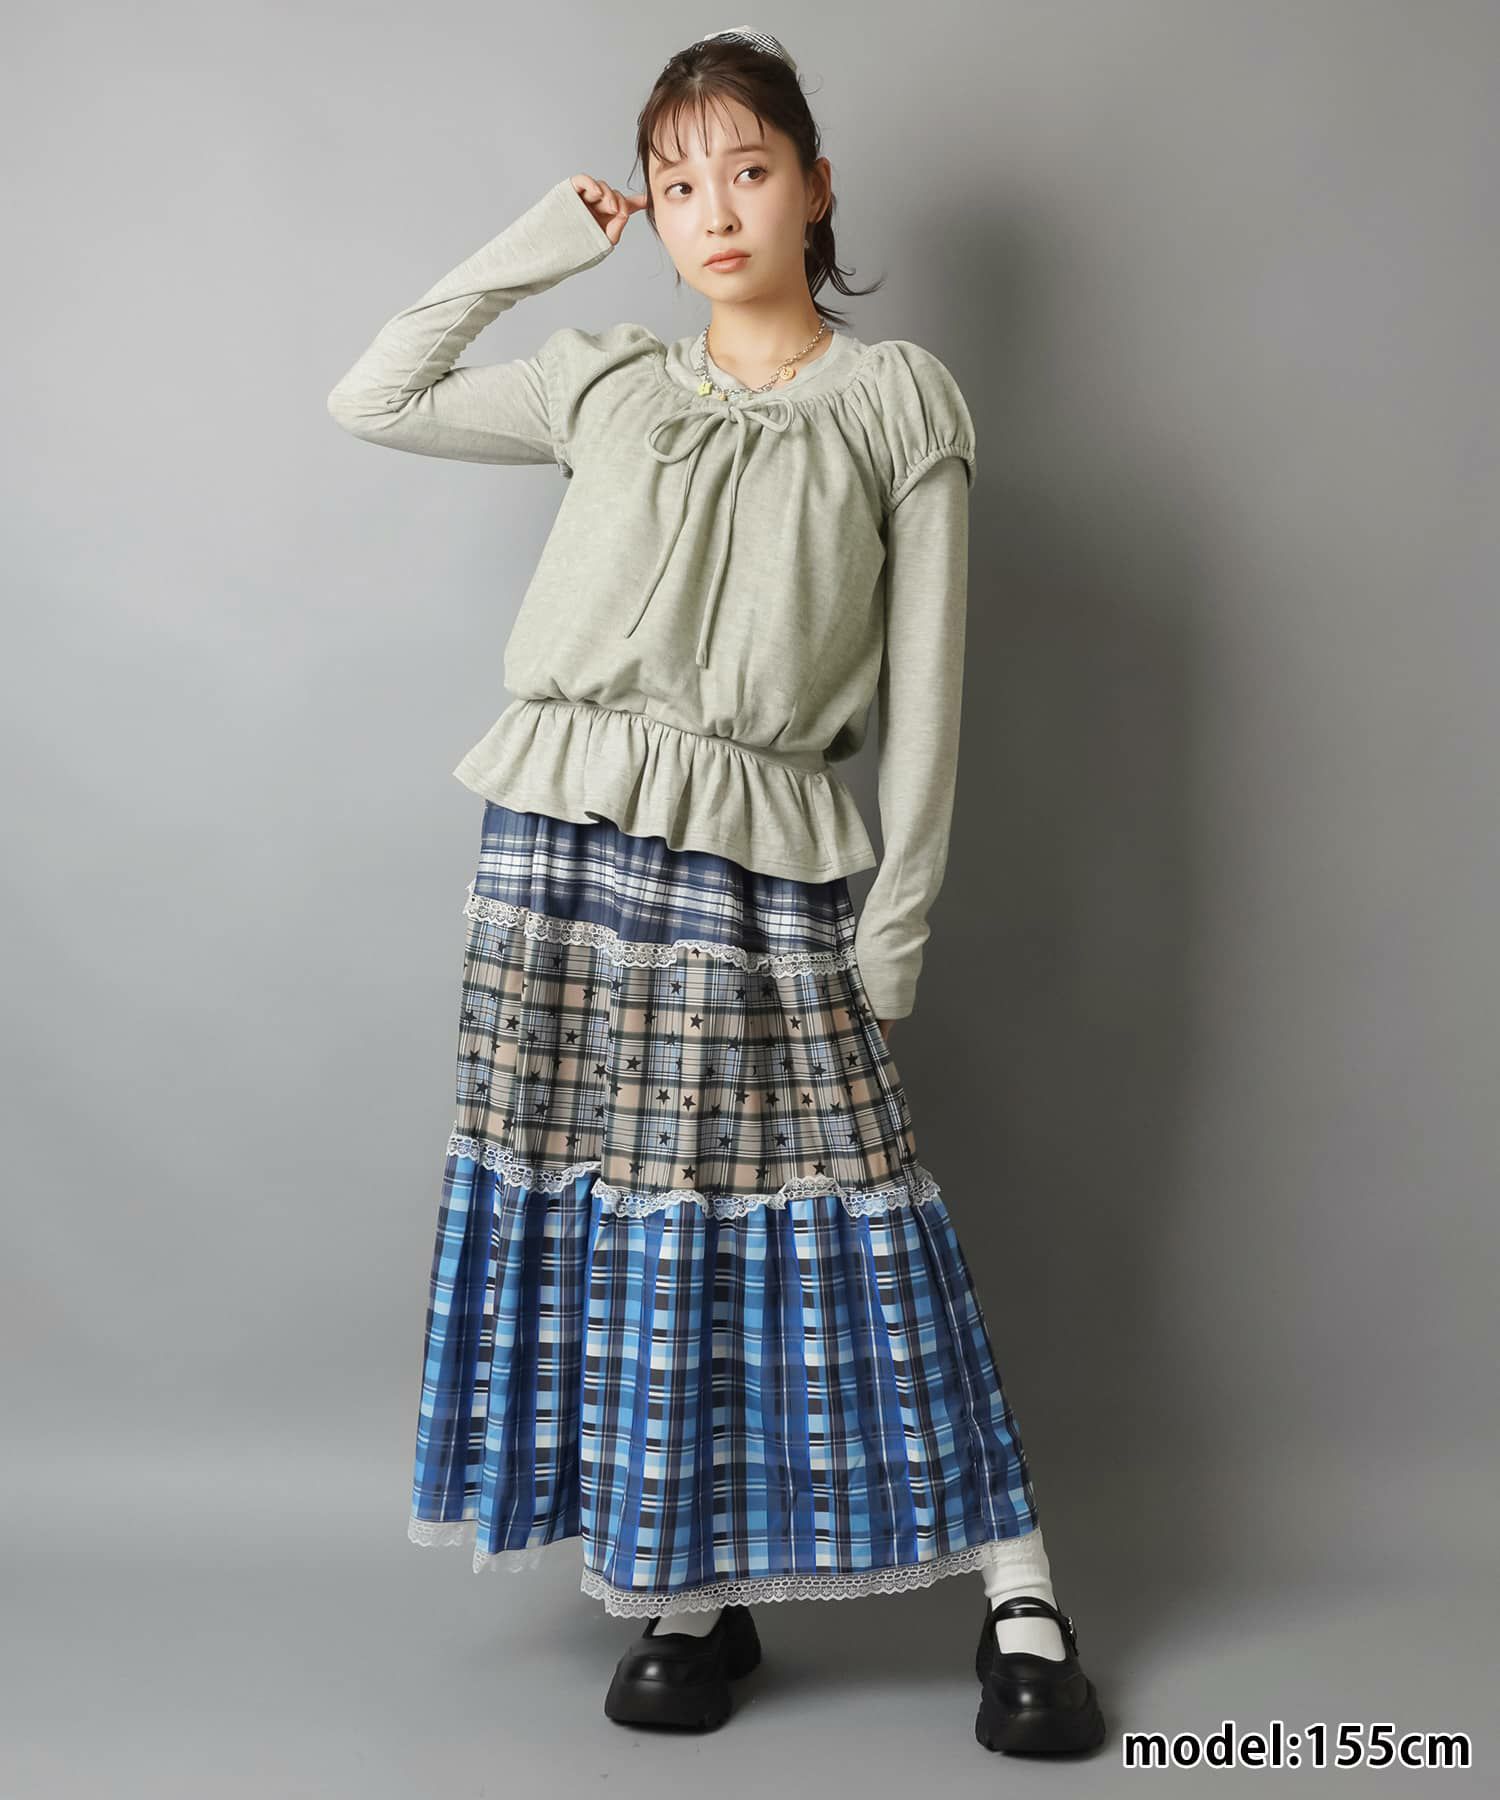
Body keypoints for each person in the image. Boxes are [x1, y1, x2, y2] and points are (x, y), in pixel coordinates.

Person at [327, 26, 1105, 1756]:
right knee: (625, 1221)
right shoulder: (602, 378)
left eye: (746, 169)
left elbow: (927, 694)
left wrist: (898, 918)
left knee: (857, 1207)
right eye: (675, 183)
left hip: (765, 860)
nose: (713, 210)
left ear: (817, 188)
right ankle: (689, 1588)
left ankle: (1019, 1582)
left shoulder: (897, 400)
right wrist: (542, 246)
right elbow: (374, 395)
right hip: (556, 844)